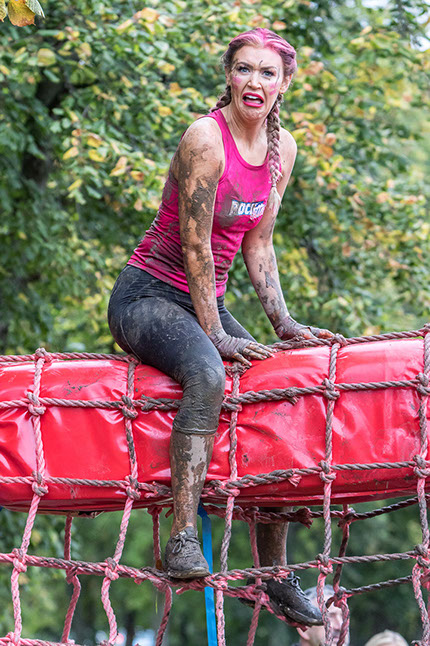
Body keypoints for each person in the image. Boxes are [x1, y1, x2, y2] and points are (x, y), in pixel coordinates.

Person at [108, 27, 333, 626]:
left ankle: (275, 574)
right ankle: (183, 539)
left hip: (204, 299)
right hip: (149, 296)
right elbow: (196, 248)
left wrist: (284, 324)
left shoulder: (282, 151)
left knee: (280, 385)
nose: (254, 82)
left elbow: (258, 244)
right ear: (229, 76)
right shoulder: (206, 138)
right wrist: (216, 333)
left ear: (285, 83)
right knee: (208, 375)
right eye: (244, 69)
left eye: (267, 72)